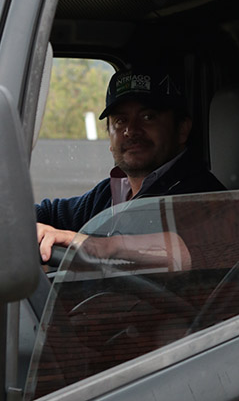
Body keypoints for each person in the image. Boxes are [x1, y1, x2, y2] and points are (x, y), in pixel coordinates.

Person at [36, 66, 224, 261]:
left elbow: (189, 251)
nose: (131, 130)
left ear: (182, 129)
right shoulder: (109, 193)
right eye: (120, 121)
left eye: (148, 117)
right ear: (109, 138)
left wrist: (100, 245)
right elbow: (46, 213)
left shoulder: (203, 196)